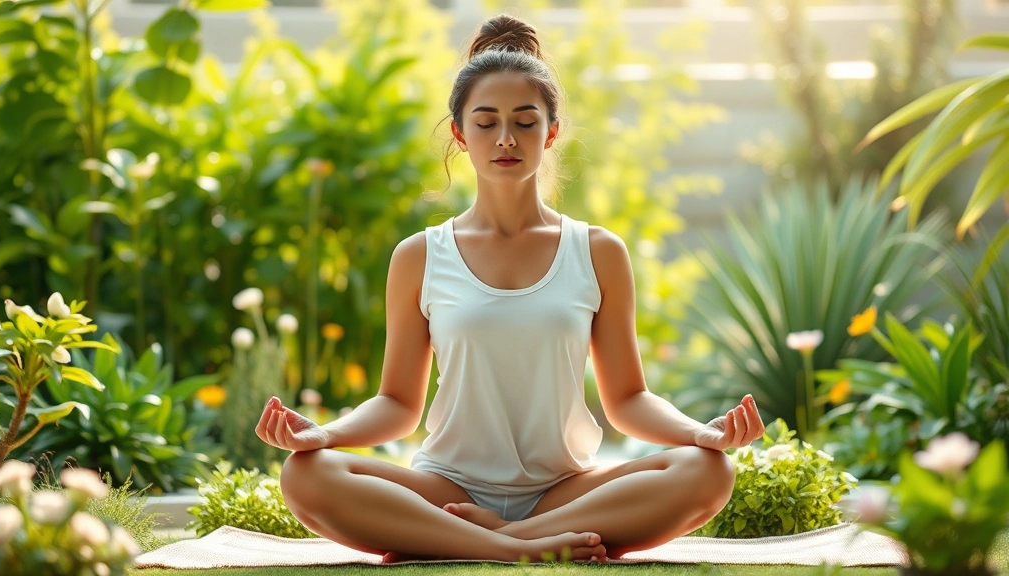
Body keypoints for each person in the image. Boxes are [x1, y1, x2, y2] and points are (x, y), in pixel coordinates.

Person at [255, 13, 765, 564]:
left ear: (551, 132)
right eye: (485, 122)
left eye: (525, 122)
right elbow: (398, 404)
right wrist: (322, 436)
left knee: (707, 470)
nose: (505, 138)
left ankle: (489, 543)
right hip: (447, 491)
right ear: (459, 133)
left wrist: (701, 434)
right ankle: (510, 544)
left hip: (565, 490)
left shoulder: (597, 251)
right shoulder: (420, 255)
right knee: (306, 475)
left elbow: (628, 401)